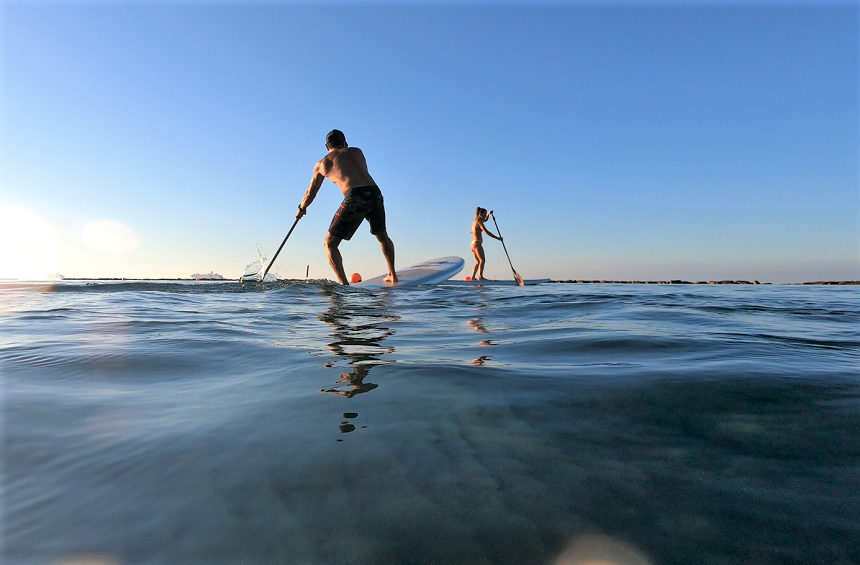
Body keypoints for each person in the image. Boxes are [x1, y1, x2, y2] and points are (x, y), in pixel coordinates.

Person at [296, 130, 397, 285]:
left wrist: (302, 208)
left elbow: (311, 192)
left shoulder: (322, 163)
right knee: (382, 236)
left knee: (329, 244)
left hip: (355, 195)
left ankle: (344, 285)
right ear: (345, 142)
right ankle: (392, 275)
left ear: (326, 147)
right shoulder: (357, 152)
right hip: (375, 192)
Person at [469, 207, 502, 281]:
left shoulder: (475, 221)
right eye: (484, 215)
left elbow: (485, 219)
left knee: (478, 262)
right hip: (477, 244)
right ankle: (480, 277)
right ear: (480, 214)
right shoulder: (479, 223)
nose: (484, 217)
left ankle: (473, 277)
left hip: (472, 244)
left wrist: (488, 215)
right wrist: (498, 238)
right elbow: (487, 232)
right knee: (482, 260)